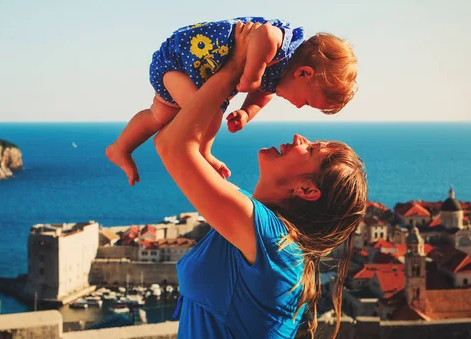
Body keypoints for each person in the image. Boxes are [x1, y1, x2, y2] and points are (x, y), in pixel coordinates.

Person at [154, 22, 367, 339]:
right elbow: (175, 144)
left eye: (309, 150)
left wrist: (231, 69)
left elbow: (171, 146)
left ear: (306, 189)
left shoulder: (269, 239)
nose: (298, 138)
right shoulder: (273, 240)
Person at [106, 17, 357, 186]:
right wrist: (251, 75)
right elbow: (265, 34)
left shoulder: (277, 78)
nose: (300, 106)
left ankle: (121, 147)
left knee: (159, 115)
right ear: (303, 73)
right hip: (180, 62)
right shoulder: (283, 47)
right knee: (206, 113)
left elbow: (264, 93)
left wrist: (247, 112)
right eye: (307, 101)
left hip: (193, 75)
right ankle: (202, 153)